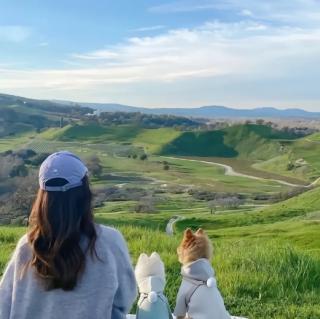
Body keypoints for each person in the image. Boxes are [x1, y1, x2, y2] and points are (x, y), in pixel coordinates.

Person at [0, 151, 137, 319]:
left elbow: (4, 306)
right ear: (84, 193)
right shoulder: (109, 242)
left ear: (42, 197)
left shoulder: (28, 246)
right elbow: (125, 299)